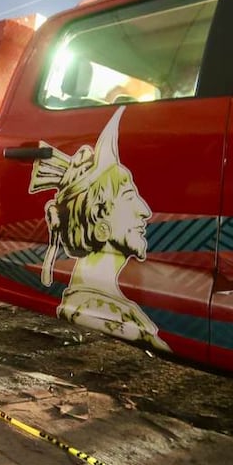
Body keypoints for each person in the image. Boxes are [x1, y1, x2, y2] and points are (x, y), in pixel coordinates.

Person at [29, 107, 169, 351]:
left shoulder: (106, 305)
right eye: (129, 197)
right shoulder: (102, 310)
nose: (144, 210)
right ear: (100, 221)